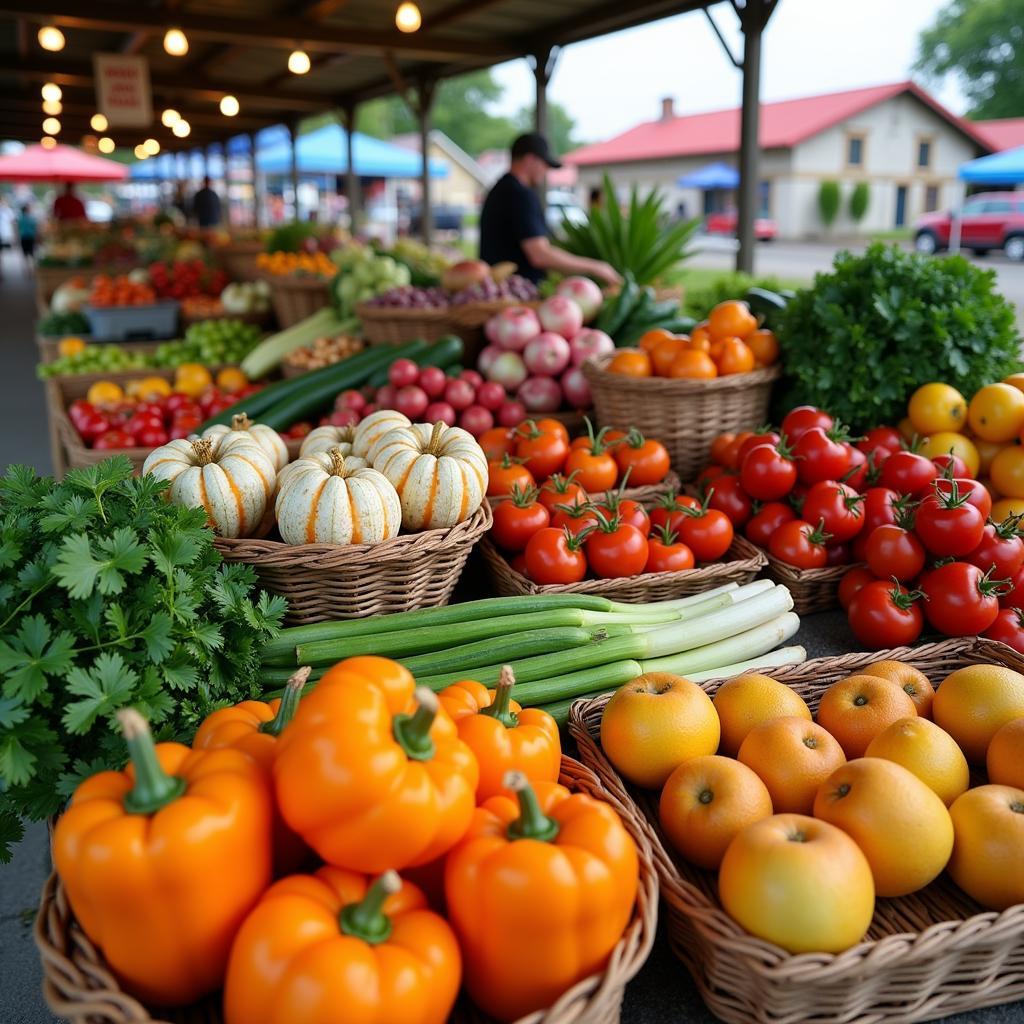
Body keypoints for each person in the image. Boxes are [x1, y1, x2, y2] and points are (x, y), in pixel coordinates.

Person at [479, 132, 621, 287]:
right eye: (544, 164)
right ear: (530, 159)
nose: (546, 171)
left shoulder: (500, 189)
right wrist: (595, 267)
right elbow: (539, 254)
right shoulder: (520, 194)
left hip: (498, 289)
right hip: (517, 293)